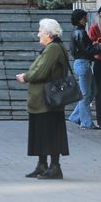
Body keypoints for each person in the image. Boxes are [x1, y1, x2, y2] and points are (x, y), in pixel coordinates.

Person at [16, 18, 71, 180]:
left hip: (48, 99)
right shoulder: (51, 47)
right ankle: (42, 165)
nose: (38, 33)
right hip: (43, 100)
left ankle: (55, 167)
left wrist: (25, 77)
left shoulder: (53, 48)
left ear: (48, 34)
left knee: (51, 132)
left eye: (40, 30)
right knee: (41, 131)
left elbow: (40, 71)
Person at [68, 8, 101, 130]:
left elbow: (86, 47)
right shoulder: (80, 33)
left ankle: (76, 117)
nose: (86, 19)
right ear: (80, 19)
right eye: (85, 17)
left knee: (92, 91)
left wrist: (98, 46)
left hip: (83, 63)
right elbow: (87, 50)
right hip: (83, 64)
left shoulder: (78, 32)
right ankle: (86, 123)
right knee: (86, 94)